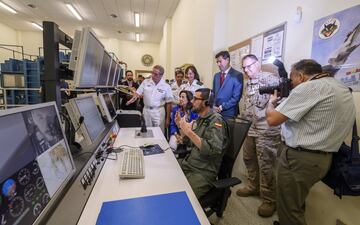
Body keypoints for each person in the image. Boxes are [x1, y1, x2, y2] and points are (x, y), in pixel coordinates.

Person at [266, 59, 356, 225]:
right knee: (296, 202)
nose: (291, 84)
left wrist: (271, 104)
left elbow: (272, 119)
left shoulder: (310, 87)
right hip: (322, 159)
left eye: (292, 80)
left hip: (299, 159)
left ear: (300, 76)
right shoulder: (341, 88)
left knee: (288, 208)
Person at [235, 54, 281, 217]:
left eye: (250, 66)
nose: (247, 70)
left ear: (258, 64)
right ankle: (253, 186)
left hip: (266, 128)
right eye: (244, 67)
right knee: (248, 158)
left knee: (266, 164)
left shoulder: (271, 79)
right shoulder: (248, 83)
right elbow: (248, 105)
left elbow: (280, 103)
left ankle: (269, 200)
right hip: (250, 127)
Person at [178, 88, 230, 198]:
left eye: (196, 99)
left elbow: (212, 150)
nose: (191, 101)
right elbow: (189, 142)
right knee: (166, 183)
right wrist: (181, 127)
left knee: (184, 200)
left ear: (206, 102)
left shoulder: (216, 120)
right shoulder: (200, 119)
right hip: (190, 164)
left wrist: (189, 132)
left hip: (202, 172)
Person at [126, 65, 173, 133]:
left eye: (155, 74)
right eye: (152, 73)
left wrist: (168, 118)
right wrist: (132, 99)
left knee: (159, 132)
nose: (153, 75)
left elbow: (169, 103)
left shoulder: (166, 86)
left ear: (161, 75)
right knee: (146, 131)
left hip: (158, 111)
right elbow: (137, 93)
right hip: (146, 110)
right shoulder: (146, 82)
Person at [213, 50, 243, 120]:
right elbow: (214, 93)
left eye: (220, 61)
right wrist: (213, 105)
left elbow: (236, 97)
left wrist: (222, 107)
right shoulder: (216, 76)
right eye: (217, 62)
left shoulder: (237, 75)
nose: (218, 64)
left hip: (229, 113)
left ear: (227, 60)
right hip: (216, 113)